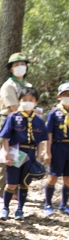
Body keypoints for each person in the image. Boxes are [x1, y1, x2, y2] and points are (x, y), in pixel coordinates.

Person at [0, 87, 48, 220]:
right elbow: (5, 137)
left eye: (31, 100)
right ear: (19, 101)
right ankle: (5, 208)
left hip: (31, 153)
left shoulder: (38, 120)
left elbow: (41, 140)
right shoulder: (13, 117)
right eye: (24, 100)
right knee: (11, 183)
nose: (27, 102)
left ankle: (20, 209)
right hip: (16, 151)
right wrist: (6, 153)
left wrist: (39, 156)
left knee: (24, 183)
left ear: (36, 102)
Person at [0, 53, 32, 201]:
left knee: (18, 154)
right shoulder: (8, 85)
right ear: (10, 69)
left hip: (24, 123)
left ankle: (13, 190)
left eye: (22, 64)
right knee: (6, 154)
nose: (20, 67)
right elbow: (14, 107)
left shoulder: (28, 86)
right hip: (9, 119)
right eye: (16, 65)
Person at [43, 83, 69, 216]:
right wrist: (47, 152)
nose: (68, 97)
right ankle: (47, 203)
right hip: (58, 146)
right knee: (53, 176)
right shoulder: (54, 113)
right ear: (59, 96)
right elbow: (49, 134)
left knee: (68, 178)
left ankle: (63, 204)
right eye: (65, 95)